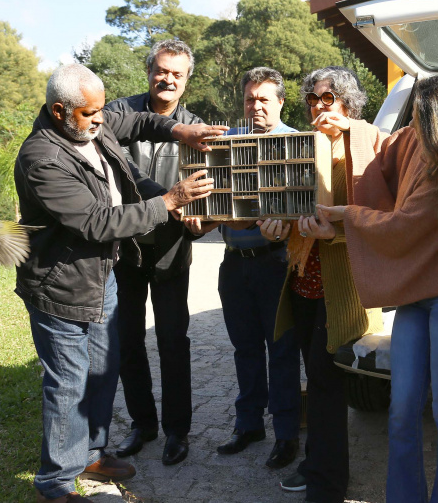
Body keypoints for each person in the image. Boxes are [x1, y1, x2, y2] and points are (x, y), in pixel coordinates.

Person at [15, 63, 224, 503]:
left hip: (100, 278)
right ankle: (55, 485)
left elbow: (141, 121)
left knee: (102, 370)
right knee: (68, 385)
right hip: (61, 287)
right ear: (59, 111)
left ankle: (91, 453)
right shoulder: (43, 159)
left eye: (100, 111)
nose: (99, 120)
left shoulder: (92, 124)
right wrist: (170, 201)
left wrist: (180, 131)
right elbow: (97, 222)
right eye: (89, 113)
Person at [318, 73, 438, 503]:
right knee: (401, 408)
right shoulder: (418, 138)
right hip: (417, 293)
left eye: (418, 117)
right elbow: (386, 145)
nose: (411, 125)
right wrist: (351, 127)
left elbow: (402, 226)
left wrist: (344, 214)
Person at [258, 66, 383, 501]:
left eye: (327, 98)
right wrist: (274, 228)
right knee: (317, 379)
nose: (318, 107)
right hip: (303, 281)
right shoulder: (300, 147)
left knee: (327, 385)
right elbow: (285, 209)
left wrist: (335, 234)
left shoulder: (369, 145)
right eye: (312, 99)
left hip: (342, 288)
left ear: (349, 103)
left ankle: (326, 484)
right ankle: (317, 465)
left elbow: (383, 219)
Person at [185, 67, 301, 468]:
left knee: (282, 351)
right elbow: (209, 200)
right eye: (250, 99)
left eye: (264, 98)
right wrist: (199, 218)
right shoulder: (226, 144)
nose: (256, 106)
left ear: (281, 101)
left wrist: (270, 225)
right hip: (234, 265)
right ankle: (248, 424)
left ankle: (286, 434)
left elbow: (303, 208)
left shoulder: (297, 144)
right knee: (245, 349)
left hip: (277, 264)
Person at [106, 39, 202, 466]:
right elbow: (117, 171)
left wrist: (202, 220)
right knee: (127, 340)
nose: (168, 79)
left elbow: (208, 185)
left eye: (177, 73)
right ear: (148, 72)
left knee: (172, 341)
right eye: (161, 70)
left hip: (171, 250)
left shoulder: (195, 126)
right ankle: (142, 423)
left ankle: (177, 430)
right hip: (124, 248)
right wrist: (166, 198)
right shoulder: (119, 113)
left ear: (187, 80)